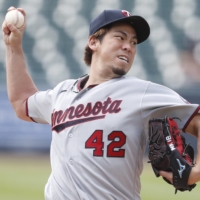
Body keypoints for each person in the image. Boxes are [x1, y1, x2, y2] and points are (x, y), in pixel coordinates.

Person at [2, 6, 200, 200]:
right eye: (120, 37)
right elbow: (22, 103)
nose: (128, 46)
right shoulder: (62, 92)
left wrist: (196, 172)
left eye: (133, 42)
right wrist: (13, 46)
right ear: (93, 42)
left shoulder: (142, 92)